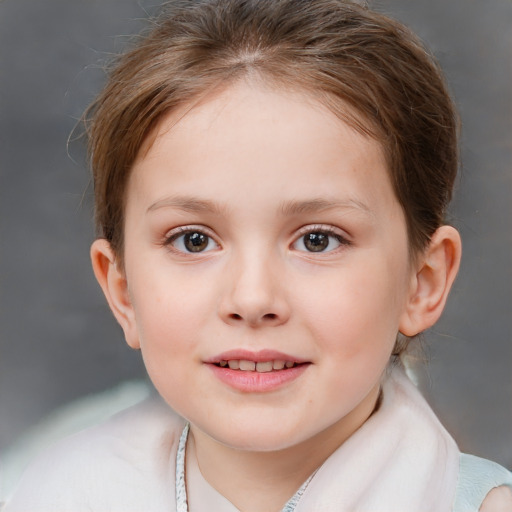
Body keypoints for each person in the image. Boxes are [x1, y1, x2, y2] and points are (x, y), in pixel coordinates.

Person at [4, 0, 512, 510]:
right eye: (193, 240)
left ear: (422, 282)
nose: (252, 298)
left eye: (318, 239)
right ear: (122, 291)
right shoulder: (53, 494)